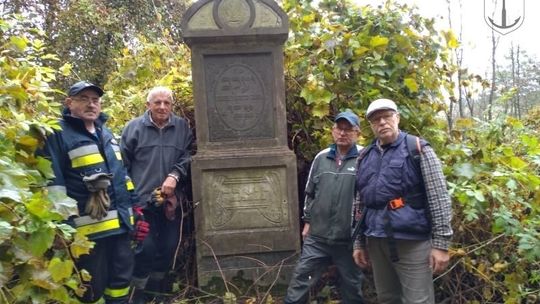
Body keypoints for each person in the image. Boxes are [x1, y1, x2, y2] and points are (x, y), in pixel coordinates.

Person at [41, 81, 146, 303]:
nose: (91, 104)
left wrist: (135, 210)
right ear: (69, 103)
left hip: (120, 227)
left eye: (95, 100)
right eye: (84, 99)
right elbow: (54, 185)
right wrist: (65, 228)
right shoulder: (58, 135)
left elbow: (122, 176)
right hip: (87, 234)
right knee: (90, 289)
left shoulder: (106, 133)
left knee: (120, 283)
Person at [352, 98, 453, 303]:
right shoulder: (365, 156)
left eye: (387, 116)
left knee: (418, 300)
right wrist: (358, 241)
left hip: (412, 242)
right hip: (376, 240)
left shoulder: (418, 149)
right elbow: (360, 202)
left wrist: (441, 244)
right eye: (376, 119)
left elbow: (439, 197)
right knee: (387, 298)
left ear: (397, 118)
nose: (382, 122)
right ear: (371, 126)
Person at [120, 86, 193, 303]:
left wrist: (174, 176)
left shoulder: (181, 127)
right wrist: (131, 197)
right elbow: (121, 166)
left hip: (171, 203)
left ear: (171, 105)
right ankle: (137, 295)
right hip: (142, 202)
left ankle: (157, 293)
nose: (162, 107)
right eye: (157, 102)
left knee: (169, 247)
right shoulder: (133, 128)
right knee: (146, 249)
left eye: (167, 103)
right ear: (148, 105)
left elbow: (187, 156)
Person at [284, 110, 364, 304]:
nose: (343, 133)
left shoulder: (365, 157)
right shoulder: (321, 157)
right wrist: (307, 222)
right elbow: (310, 192)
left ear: (358, 133)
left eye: (349, 129)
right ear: (333, 131)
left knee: (352, 286)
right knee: (300, 280)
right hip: (318, 237)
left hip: (349, 239)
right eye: (339, 128)